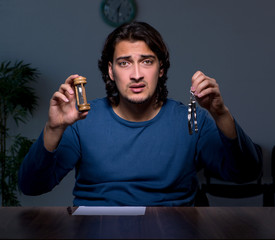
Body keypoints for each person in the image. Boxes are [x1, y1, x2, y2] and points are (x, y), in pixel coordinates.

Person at [19, 21, 262, 206]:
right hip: (97, 229)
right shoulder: (82, 121)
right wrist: (53, 129)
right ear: (111, 72)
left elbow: (246, 174)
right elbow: (31, 186)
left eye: (146, 61)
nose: (136, 74)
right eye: (125, 63)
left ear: (161, 69)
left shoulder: (191, 119)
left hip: (173, 229)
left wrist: (221, 114)